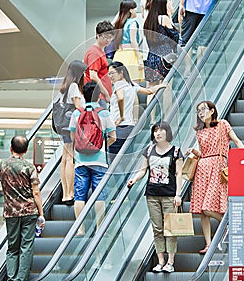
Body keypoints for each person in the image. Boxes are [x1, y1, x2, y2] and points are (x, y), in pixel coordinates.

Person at [186, 101, 244, 254]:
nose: (201, 113)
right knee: (202, 211)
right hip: (202, 169)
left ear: (212, 111)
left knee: (207, 206)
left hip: (217, 166)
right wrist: (193, 151)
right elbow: (202, 153)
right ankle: (208, 244)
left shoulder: (222, 124)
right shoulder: (199, 131)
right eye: (198, 111)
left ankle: (229, 223)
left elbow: (237, 141)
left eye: (204, 109)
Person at [127, 121, 183, 273]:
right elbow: (143, 170)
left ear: (167, 132)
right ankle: (160, 261)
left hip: (170, 195)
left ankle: (170, 262)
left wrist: (178, 194)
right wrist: (135, 179)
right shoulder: (149, 150)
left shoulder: (176, 151)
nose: (158, 133)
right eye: (155, 131)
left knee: (171, 229)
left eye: (161, 130)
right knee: (157, 228)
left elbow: (179, 174)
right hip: (152, 194)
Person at [0, 136, 44, 281]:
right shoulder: (29, 167)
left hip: (11, 213)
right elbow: (36, 192)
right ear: (26, 150)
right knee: (26, 246)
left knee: (12, 247)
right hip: (29, 211)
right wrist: (41, 213)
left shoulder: (1, 164)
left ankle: (11, 279)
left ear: (11, 148)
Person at [69, 82, 116, 236]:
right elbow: (113, 137)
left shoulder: (77, 113)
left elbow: (72, 136)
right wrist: (101, 145)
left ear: (83, 94)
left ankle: (80, 229)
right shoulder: (104, 113)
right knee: (99, 195)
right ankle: (100, 227)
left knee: (79, 195)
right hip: (100, 160)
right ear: (98, 95)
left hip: (81, 161)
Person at [108, 61, 165, 161]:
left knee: (113, 160)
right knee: (127, 158)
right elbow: (149, 91)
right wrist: (161, 86)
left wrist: (121, 117)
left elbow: (120, 98)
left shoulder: (118, 84)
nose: (110, 76)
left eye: (112, 73)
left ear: (121, 72)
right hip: (130, 127)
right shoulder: (131, 84)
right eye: (109, 74)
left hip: (118, 127)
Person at [58, 60, 86, 205]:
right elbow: (78, 107)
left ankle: (64, 193)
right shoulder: (74, 86)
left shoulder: (65, 86)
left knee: (64, 159)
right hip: (71, 126)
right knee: (70, 159)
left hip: (62, 125)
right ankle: (70, 193)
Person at [84, 21, 114, 107]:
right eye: (105, 37)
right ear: (97, 35)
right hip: (98, 96)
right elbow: (93, 76)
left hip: (100, 96)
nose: (108, 40)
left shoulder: (100, 51)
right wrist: (106, 94)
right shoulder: (94, 52)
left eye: (110, 37)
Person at [113, 0, 144, 83]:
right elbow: (133, 41)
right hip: (131, 55)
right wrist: (139, 59)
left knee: (120, 86)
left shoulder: (119, 23)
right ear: (131, 10)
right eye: (135, 8)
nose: (136, 10)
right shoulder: (133, 23)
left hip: (119, 55)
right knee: (133, 86)